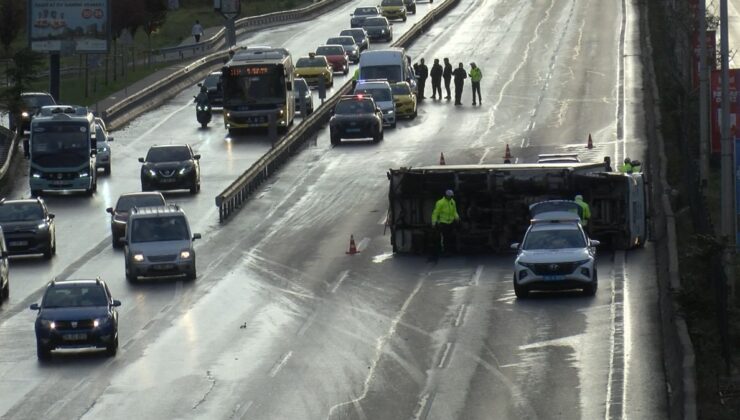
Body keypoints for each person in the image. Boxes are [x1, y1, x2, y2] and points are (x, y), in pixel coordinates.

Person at [431, 189, 460, 257]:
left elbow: (454, 211)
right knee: (444, 238)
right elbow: (435, 213)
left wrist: (457, 218)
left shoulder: (452, 202)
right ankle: (444, 251)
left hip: (451, 222)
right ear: (446, 196)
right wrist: (434, 222)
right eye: (449, 196)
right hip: (443, 222)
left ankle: (449, 250)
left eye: (451, 196)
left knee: (450, 237)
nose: (451, 197)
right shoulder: (440, 202)